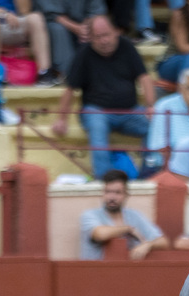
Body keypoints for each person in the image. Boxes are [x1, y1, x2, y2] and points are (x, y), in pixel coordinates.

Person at [52, 15, 154, 180]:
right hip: (97, 110)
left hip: (130, 112)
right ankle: (104, 182)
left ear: (115, 32)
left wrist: (150, 106)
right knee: (97, 126)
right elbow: (70, 90)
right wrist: (61, 119)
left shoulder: (127, 46)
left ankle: (148, 176)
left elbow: (145, 78)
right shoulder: (84, 54)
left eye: (106, 34)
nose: (104, 40)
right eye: (98, 37)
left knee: (156, 124)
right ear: (90, 38)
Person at [79, 170, 169, 259]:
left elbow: (163, 242)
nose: (112, 197)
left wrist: (148, 245)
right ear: (103, 193)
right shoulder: (91, 215)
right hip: (96, 271)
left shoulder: (134, 216)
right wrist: (127, 229)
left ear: (126, 195)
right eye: (108, 192)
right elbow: (100, 234)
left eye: (117, 192)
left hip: (129, 271)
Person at [0, 0, 59, 85]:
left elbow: (24, 11)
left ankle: (44, 72)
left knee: (35, 18)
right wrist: (3, 13)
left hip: (9, 22)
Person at [37, 0, 105, 78]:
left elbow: (96, 11)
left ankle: (96, 73)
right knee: (57, 29)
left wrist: (86, 28)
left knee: (97, 28)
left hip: (84, 25)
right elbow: (50, 13)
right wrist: (76, 28)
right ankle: (67, 73)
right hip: (57, 24)